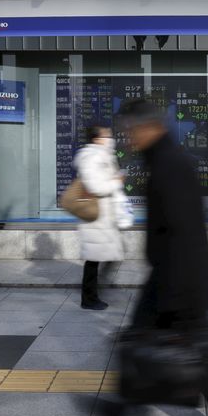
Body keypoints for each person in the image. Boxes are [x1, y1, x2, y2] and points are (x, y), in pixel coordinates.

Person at [118, 99, 208, 416]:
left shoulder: (169, 165)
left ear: (148, 127)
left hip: (181, 281)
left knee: (200, 354)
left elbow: (183, 232)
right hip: (173, 276)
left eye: (130, 132)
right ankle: (129, 402)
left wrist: (175, 296)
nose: (128, 140)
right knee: (145, 340)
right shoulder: (164, 160)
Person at [73, 125, 126, 310]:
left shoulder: (103, 155)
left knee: (104, 256)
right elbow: (96, 186)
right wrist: (116, 182)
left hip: (104, 216)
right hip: (96, 215)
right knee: (94, 259)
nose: (110, 138)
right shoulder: (91, 157)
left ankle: (93, 292)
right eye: (106, 135)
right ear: (96, 139)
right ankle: (88, 298)